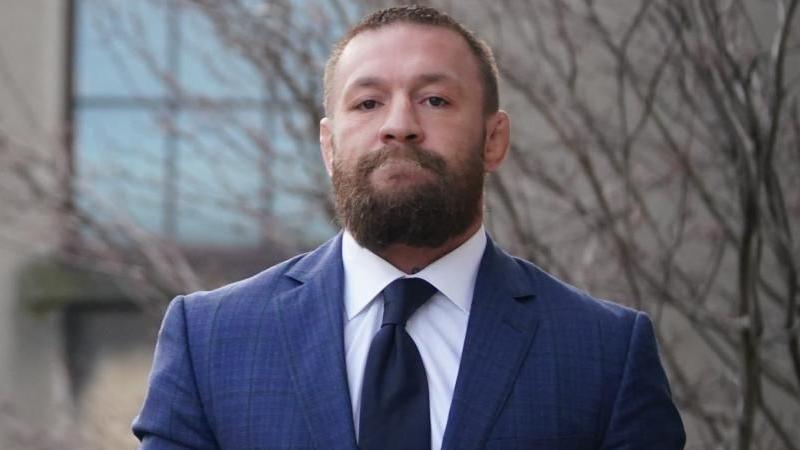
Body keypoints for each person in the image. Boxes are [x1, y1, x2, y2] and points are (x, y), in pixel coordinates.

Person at [133, 5, 685, 450]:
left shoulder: (605, 353)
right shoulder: (210, 342)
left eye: (435, 100)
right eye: (368, 102)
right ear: (328, 145)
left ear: (494, 139)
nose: (399, 125)